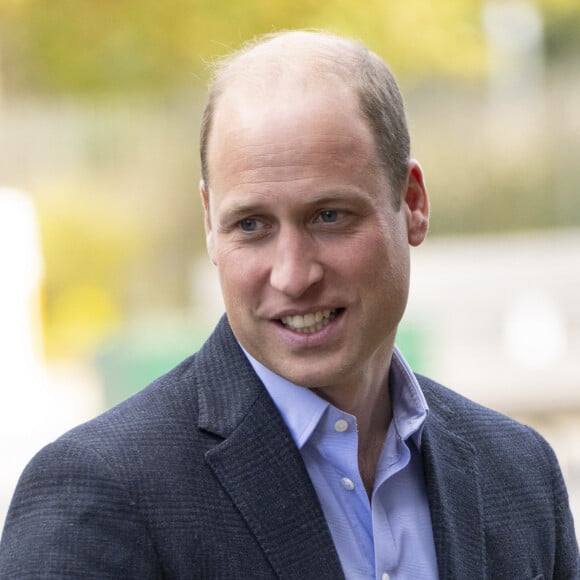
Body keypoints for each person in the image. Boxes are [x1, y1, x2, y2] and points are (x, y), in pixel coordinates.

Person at [0, 30, 578, 580]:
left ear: (413, 203)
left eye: (329, 216)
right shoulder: (98, 493)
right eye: (251, 225)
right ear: (209, 223)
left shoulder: (519, 473)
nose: (293, 274)